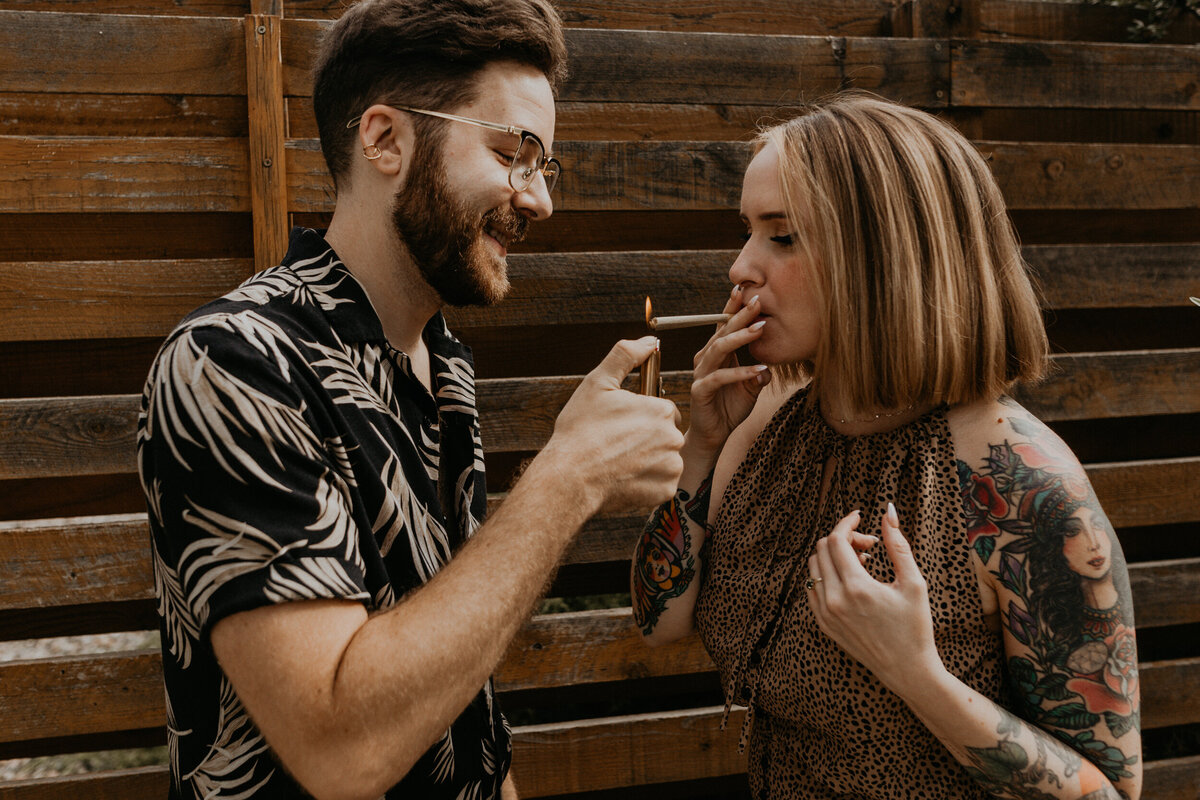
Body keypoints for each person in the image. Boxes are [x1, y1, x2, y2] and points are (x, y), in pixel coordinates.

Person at [137, 1, 685, 798]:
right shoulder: (232, 361)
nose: (539, 201)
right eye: (512, 153)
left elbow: (455, 685)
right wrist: (568, 479)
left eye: (544, 168)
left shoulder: (440, 359)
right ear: (386, 139)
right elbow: (339, 749)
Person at [631, 92, 1141, 800]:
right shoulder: (766, 416)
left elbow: (1111, 795)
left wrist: (914, 673)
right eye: (747, 230)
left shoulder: (1021, 481)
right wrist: (702, 448)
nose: (740, 268)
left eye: (781, 236)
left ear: (882, 255)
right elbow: (659, 624)